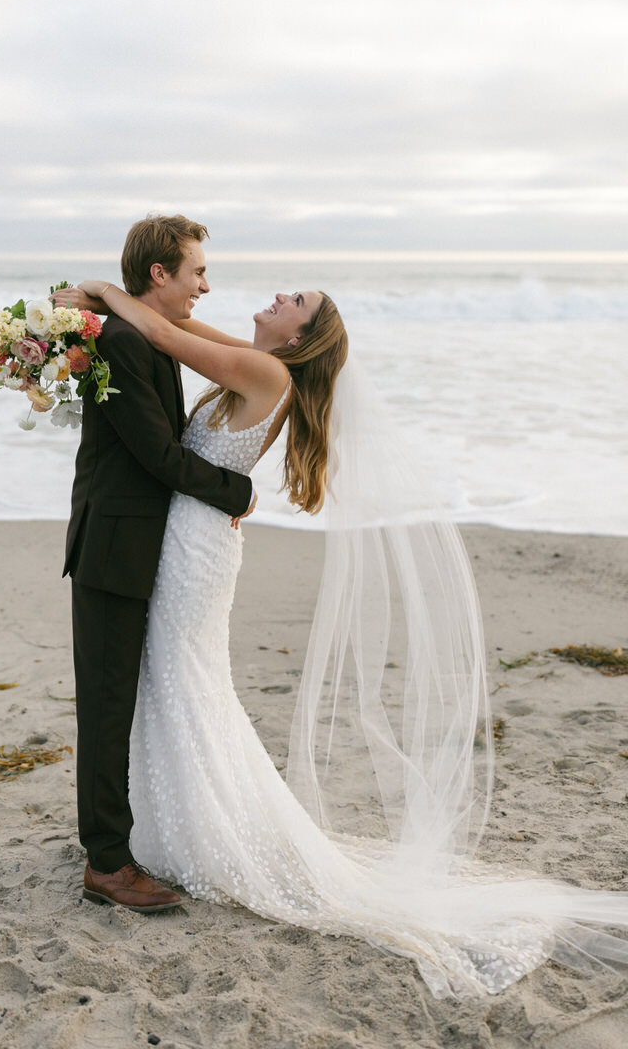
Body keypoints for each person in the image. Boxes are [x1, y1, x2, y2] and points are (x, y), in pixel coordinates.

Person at [58, 267, 628, 999]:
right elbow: (183, 330)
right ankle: (157, 825)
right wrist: (107, 312)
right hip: (187, 535)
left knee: (185, 679)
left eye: (294, 302)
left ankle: (185, 829)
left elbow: (167, 333)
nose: (277, 297)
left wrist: (103, 292)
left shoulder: (265, 370)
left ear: (299, 336)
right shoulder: (259, 359)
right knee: (175, 681)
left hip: (197, 547)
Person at [57, 215, 255, 915]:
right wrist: (241, 491)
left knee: (120, 705)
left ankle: (115, 841)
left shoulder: (142, 337)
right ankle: (106, 863)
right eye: (196, 271)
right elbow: (157, 457)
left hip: (138, 545)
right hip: (114, 549)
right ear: (159, 275)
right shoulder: (120, 342)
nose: (206, 284)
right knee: (108, 710)